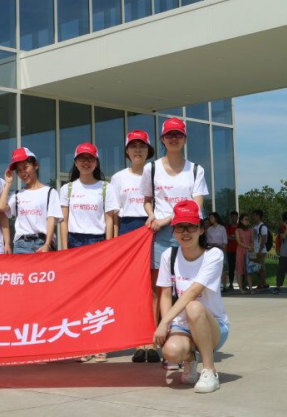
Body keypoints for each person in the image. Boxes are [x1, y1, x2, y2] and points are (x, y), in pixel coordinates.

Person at [140, 117, 209, 369]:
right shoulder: (151, 168)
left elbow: (197, 205)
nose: (173, 138)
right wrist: (151, 215)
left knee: (190, 289)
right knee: (160, 291)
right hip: (160, 235)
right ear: (162, 139)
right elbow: (147, 199)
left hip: (188, 231)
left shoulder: (196, 169)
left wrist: (167, 219)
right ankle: (158, 341)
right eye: (169, 135)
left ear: (185, 139)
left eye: (178, 135)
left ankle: (191, 340)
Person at [154, 200, 230, 394]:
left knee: (193, 306)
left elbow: (193, 292)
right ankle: (190, 359)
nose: (185, 232)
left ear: (201, 230)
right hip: (182, 327)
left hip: (213, 327)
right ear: (174, 231)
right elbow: (165, 294)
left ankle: (209, 371)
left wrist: (164, 321)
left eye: (191, 227)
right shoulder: (168, 256)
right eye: (180, 227)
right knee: (170, 352)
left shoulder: (214, 255)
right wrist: (168, 325)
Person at [59, 142, 119, 363]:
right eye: (82, 158)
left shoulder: (105, 187)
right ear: (75, 162)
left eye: (90, 159)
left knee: (99, 295)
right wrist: (65, 249)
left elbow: (110, 219)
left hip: (98, 242)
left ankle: (100, 343)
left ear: (96, 162)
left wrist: (109, 247)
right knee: (79, 296)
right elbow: (63, 221)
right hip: (75, 243)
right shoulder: (68, 189)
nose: (86, 162)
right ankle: (82, 344)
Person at [110, 130, 161, 364]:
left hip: (153, 227)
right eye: (133, 146)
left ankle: (152, 341)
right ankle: (138, 342)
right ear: (127, 151)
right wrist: (114, 242)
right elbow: (114, 213)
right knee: (133, 288)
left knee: (154, 287)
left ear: (149, 150)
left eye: (142, 146)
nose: (137, 150)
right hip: (128, 229)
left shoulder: (156, 173)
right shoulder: (118, 177)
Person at [0, 147, 63, 254]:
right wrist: (8, 183)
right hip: (21, 245)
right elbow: (1, 207)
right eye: (19, 170)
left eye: (25, 167)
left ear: (35, 165)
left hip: (42, 243)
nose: (23, 173)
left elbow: (51, 219)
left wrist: (47, 244)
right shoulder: (17, 194)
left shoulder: (50, 192)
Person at [206, 212, 229, 292]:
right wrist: (213, 245)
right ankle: (216, 286)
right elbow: (208, 242)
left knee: (222, 268)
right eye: (209, 218)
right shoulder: (209, 229)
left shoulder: (222, 228)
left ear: (216, 218)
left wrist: (224, 250)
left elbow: (225, 240)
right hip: (212, 250)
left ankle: (224, 285)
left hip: (221, 249)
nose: (210, 219)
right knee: (213, 268)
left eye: (211, 217)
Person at [234, 213, 255, 294]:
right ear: (241, 221)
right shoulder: (238, 230)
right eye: (246, 219)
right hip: (241, 250)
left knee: (249, 269)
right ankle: (241, 289)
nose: (247, 221)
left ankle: (250, 288)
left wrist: (251, 247)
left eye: (248, 219)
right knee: (240, 269)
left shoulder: (250, 229)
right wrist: (247, 246)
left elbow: (252, 240)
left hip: (249, 251)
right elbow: (239, 242)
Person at [251, 210, 270, 290]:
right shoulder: (254, 226)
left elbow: (263, 240)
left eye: (254, 215)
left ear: (259, 216)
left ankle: (261, 284)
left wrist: (259, 251)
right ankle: (264, 283)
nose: (253, 217)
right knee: (256, 268)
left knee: (261, 268)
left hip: (261, 251)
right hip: (254, 250)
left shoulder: (263, 227)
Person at [225, 211, 239, 291]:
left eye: (235, 217)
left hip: (239, 250)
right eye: (232, 217)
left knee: (241, 267)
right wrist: (236, 238)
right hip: (230, 250)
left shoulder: (240, 226)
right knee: (231, 267)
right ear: (230, 218)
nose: (234, 218)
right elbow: (227, 237)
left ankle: (243, 283)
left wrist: (233, 237)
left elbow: (241, 237)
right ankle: (231, 283)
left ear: (237, 217)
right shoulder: (228, 227)